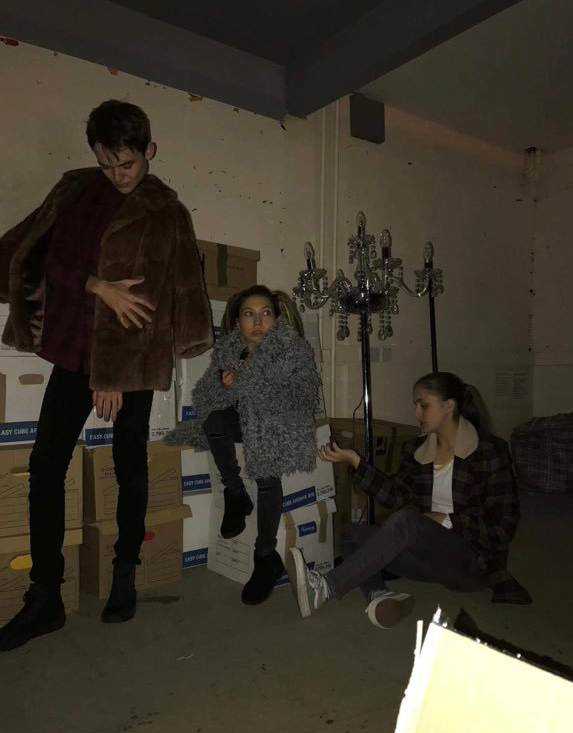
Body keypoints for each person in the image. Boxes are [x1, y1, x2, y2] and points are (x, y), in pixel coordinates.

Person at [0, 100, 213, 651]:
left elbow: (160, 296)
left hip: (132, 358)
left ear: (149, 151)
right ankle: (45, 595)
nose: (118, 175)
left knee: (129, 463)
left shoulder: (167, 212)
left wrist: (114, 371)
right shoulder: (74, 191)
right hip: (75, 348)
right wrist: (95, 285)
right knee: (46, 464)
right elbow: (39, 256)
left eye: (128, 164)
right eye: (107, 164)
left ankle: (124, 573)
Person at [286, 372, 532, 629]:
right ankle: (379, 595)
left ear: (449, 406)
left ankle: (325, 588)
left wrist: (446, 520)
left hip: (472, 563)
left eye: (423, 405)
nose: (417, 413)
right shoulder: (417, 451)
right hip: (429, 560)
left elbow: (503, 528)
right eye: (415, 405)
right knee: (348, 534)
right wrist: (355, 460)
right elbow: (395, 496)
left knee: (407, 521)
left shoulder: (489, 452)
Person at [166, 284, 320, 604]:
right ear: (238, 322)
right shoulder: (231, 352)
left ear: (277, 319)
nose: (258, 322)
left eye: (265, 313)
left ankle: (265, 556)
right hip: (247, 423)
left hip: (280, 425)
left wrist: (247, 383)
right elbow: (212, 402)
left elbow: (301, 399)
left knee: (265, 465)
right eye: (249, 314)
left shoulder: (291, 350)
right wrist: (226, 387)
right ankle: (235, 493)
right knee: (213, 422)